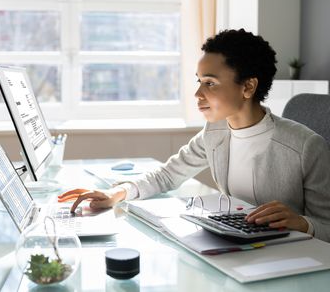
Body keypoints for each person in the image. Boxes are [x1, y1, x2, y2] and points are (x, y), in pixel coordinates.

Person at [59, 29, 330, 242]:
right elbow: (167, 175)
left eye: (210, 83)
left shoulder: (307, 147)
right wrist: (116, 192)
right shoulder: (215, 132)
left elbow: (327, 226)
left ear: (248, 86)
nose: (198, 94)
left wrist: (301, 222)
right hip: (237, 247)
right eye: (199, 81)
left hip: (290, 260)